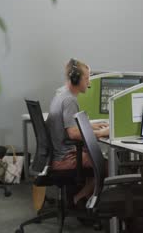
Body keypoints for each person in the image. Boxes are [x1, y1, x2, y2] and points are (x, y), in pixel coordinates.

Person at [46, 58, 109, 208]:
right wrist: (102, 133)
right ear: (76, 79)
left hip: (57, 154)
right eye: (86, 78)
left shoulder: (61, 95)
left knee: (93, 155)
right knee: (106, 165)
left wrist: (93, 126)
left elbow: (71, 126)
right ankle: (78, 199)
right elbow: (73, 134)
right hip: (64, 158)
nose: (89, 83)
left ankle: (85, 198)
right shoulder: (69, 100)